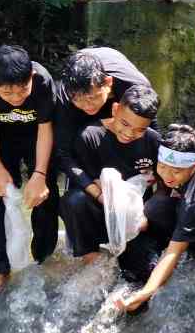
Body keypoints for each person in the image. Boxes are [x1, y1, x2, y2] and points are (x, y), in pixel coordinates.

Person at [113, 123, 195, 314]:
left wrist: (146, 292)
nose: (167, 175)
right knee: (154, 208)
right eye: (162, 167)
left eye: (176, 171)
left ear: (192, 167)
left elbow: (173, 253)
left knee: (162, 218)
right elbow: (165, 182)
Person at [0, 46, 58, 292]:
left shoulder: (42, 80)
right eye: (7, 92)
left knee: (45, 193)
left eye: (22, 89)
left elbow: (45, 127)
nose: (17, 97)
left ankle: (43, 257)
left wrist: (39, 175)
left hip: (36, 135)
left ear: (30, 76)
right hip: (0, 137)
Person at [58, 84, 163, 274]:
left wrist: (147, 215)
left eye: (140, 130)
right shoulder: (90, 136)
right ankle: (90, 257)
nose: (130, 133)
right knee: (74, 200)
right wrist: (104, 199)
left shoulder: (153, 141)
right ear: (115, 109)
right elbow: (90, 181)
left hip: (137, 220)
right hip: (101, 211)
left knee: (144, 271)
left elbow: (164, 184)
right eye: (125, 123)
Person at [53, 47, 153, 208]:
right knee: (75, 200)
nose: (87, 105)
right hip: (80, 123)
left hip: (119, 102)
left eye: (92, 98)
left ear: (108, 82)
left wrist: (150, 169)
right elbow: (63, 153)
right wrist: (97, 193)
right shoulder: (65, 97)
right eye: (79, 100)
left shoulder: (134, 87)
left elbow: (149, 128)